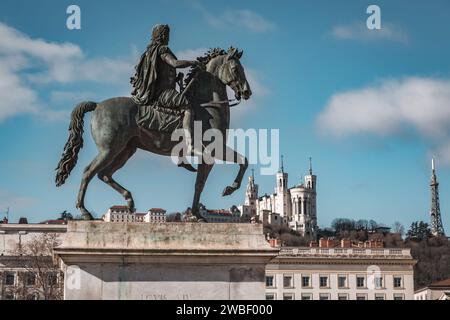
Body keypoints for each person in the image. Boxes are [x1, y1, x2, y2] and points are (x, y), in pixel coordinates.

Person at [130, 24, 200, 171]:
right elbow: (174, 63)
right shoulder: (162, 50)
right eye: (167, 34)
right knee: (188, 108)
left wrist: (174, 79)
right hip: (163, 93)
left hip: (156, 92)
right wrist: (192, 62)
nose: (168, 37)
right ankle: (190, 145)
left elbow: (159, 74)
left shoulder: (149, 52)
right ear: (162, 36)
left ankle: (180, 154)